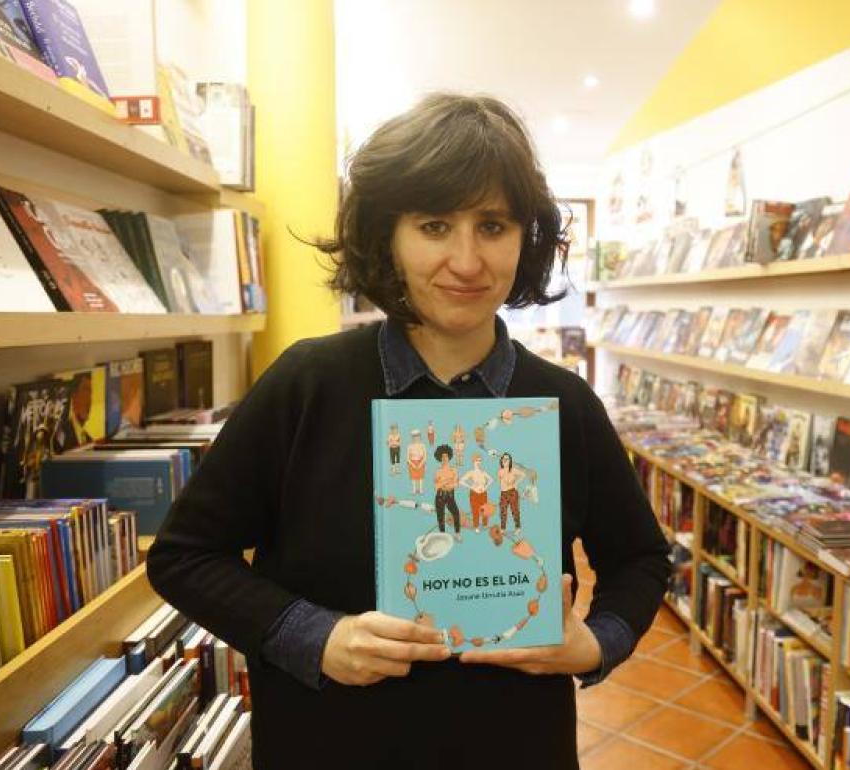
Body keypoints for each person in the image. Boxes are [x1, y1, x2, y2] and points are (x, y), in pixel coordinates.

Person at [147, 93, 669, 769]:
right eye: (434, 226)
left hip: (515, 746)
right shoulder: (307, 385)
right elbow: (186, 556)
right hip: (330, 744)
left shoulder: (563, 402)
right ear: (387, 235)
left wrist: (595, 643)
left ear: (525, 239)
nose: (467, 261)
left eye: (492, 226)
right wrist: (315, 635)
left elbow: (640, 559)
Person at [432, 444, 461, 538]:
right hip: (439, 496)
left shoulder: (454, 470)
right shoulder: (438, 471)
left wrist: (444, 483)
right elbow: (436, 486)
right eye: (442, 456)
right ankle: (442, 536)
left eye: (446, 456)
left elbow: (456, 484)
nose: (444, 458)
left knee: (456, 513)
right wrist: (447, 482)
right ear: (439, 458)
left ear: (449, 457)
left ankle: (457, 533)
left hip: (450, 496)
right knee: (440, 516)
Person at [459, 453, 493, 532]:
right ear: (473, 461)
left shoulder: (483, 472)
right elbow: (461, 481)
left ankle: (485, 525)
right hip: (474, 494)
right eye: (477, 460)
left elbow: (491, 480)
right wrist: (472, 487)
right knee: (475, 510)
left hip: (483, 493)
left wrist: (485, 487)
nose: (478, 462)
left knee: (485, 509)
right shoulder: (471, 472)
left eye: (480, 460)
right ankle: (476, 526)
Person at [497, 452, 525, 531]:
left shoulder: (513, 470)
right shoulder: (500, 471)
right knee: (503, 511)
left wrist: (516, 483)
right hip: (503, 493)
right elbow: (500, 482)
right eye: (503, 459)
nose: (505, 460)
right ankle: (503, 528)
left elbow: (523, 475)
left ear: (510, 461)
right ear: (501, 460)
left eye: (507, 459)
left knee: (515, 511)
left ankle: (517, 527)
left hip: (512, 492)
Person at [406, 428, 426, 494]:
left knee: (420, 477)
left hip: (421, 462)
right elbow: (407, 458)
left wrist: (421, 464)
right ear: (412, 438)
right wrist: (412, 464)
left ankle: (421, 489)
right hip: (412, 463)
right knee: (413, 477)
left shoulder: (423, 445)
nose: (416, 438)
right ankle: (414, 489)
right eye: (414, 437)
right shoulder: (410, 446)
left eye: (417, 437)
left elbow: (425, 457)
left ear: (420, 437)